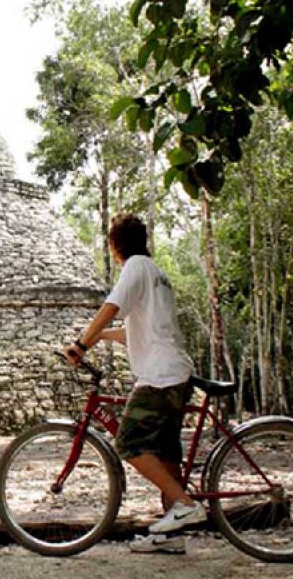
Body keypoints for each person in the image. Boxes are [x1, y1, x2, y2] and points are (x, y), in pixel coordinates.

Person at [64, 213, 205, 555]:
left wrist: (82, 343)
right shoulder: (157, 273)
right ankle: (170, 536)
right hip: (176, 372)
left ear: (115, 245)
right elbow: (136, 331)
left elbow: (112, 307)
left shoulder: (135, 268)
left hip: (159, 376)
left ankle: (186, 504)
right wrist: (98, 339)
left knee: (128, 442)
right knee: (166, 453)